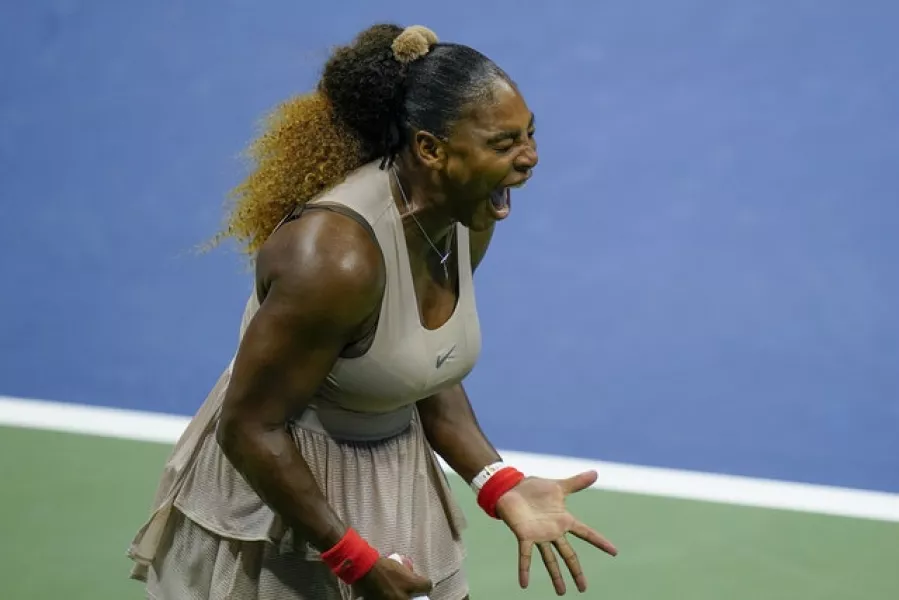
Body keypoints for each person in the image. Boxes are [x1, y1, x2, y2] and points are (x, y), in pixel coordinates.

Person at [128, 23, 617, 600]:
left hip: (390, 475)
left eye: (530, 134)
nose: (529, 158)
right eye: (503, 143)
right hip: (285, 492)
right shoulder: (335, 265)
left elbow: (419, 364)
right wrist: (352, 558)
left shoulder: (468, 214)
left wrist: (500, 484)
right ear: (431, 149)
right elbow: (251, 427)